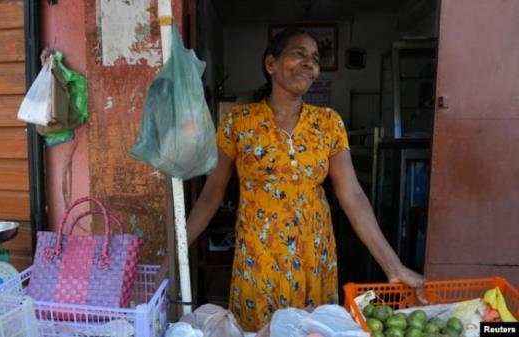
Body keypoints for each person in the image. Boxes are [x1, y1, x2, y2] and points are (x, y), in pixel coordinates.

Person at [160, 28, 425, 332]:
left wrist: (394, 267)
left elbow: (352, 195)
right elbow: (211, 195)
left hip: (314, 255)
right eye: (298, 54)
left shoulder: (329, 123)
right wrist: (173, 254)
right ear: (271, 64)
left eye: (314, 58)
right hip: (259, 260)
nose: (309, 63)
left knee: (311, 330)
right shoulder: (239, 122)